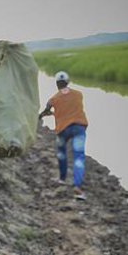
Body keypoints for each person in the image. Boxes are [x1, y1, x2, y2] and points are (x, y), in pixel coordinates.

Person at [39, 71, 90, 200]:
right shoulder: (79, 94)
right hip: (78, 127)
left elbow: (47, 110)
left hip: (63, 130)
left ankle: (62, 178)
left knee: (61, 153)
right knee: (78, 156)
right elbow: (72, 105)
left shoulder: (53, 99)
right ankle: (77, 186)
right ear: (68, 82)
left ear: (57, 84)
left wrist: (43, 115)